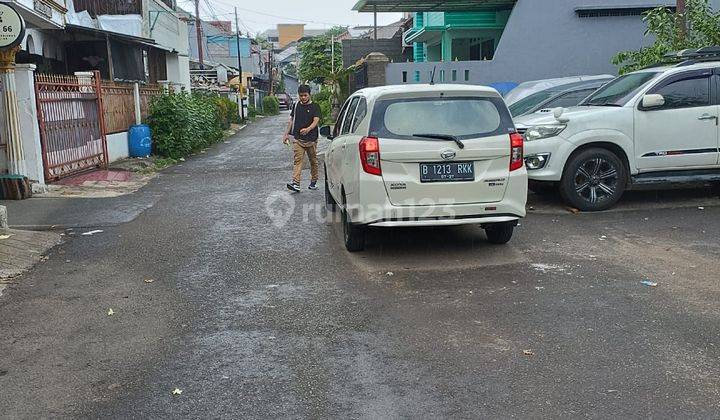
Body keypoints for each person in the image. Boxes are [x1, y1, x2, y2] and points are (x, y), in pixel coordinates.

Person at [283, 85, 322, 192]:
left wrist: (308, 129)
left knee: (313, 161)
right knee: (297, 161)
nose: (303, 98)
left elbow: (316, 120)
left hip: (312, 140)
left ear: (310, 95)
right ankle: (296, 183)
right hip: (298, 139)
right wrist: (286, 134)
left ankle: (313, 182)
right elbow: (291, 120)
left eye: (305, 95)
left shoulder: (315, 106)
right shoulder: (296, 106)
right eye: (301, 96)